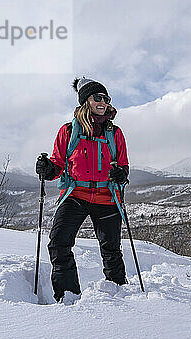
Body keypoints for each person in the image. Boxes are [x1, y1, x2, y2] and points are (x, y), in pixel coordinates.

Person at [35, 77, 130, 302]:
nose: (103, 102)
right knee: (59, 244)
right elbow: (57, 165)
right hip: (75, 194)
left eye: (106, 99)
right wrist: (47, 169)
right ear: (85, 100)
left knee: (111, 250)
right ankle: (68, 296)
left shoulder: (114, 133)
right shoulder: (68, 131)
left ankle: (117, 294)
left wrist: (121, 174)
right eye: (98, 97)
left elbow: (124, 166)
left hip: (107, 197)